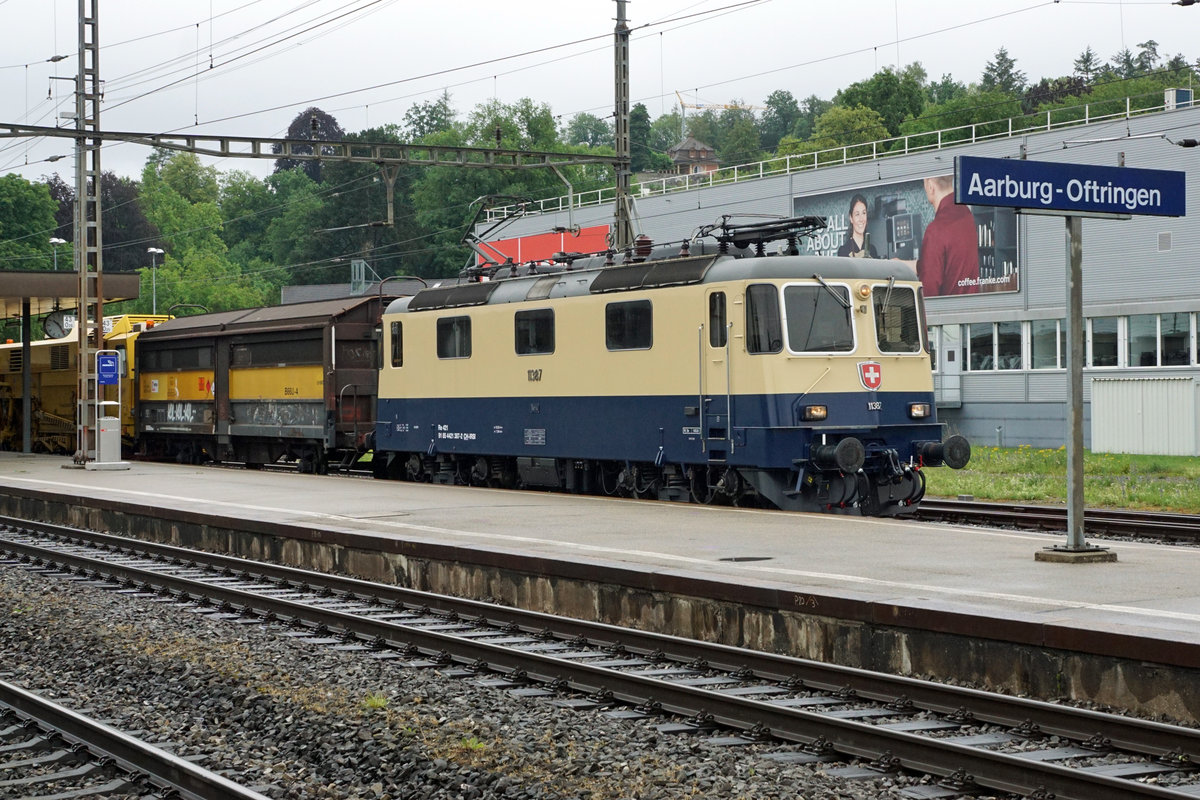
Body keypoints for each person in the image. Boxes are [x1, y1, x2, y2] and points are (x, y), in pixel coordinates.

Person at [909, 174, 980, 295]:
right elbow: (952, 265)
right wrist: (908, 265)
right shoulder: (966, 213)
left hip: (947, 311)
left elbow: (928, 292)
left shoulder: (935, 230)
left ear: (930, 186)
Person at [836, 193, 878, 258]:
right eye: (857, 214)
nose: (861, 219)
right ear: (851, 218)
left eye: (864, 213)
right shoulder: (844, 251)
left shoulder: (872, 250)